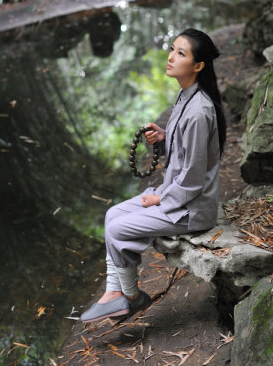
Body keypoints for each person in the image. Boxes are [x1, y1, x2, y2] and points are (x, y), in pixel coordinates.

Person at [80, 28, 226, 323]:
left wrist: (161, 197)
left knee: (119, 230)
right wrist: (164, 137)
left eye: (181, 53)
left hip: (191, 209)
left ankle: (132, 297)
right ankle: (113, 294)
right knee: (112, 216)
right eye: (172, 49)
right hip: (179, 196)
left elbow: (194, 178)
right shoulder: (187, 95)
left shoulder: (199, 110)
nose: (171, 57)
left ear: (198, 66)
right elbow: (189, 151)